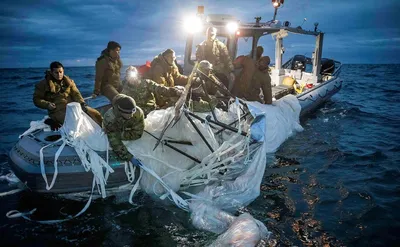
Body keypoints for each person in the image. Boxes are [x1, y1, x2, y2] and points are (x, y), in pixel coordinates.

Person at [33, 61, 103, 129]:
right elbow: (36, 99)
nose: (59, 74)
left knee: (95, 113)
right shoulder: (42, 85)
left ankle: (105, 130)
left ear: (63, 71)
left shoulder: (69, 82)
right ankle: (51, 120)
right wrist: (47, 104)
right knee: (74, 122)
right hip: (57, 111)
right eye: (56, 72)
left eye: (61, 72)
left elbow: (76, 94)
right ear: (51, 72)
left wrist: (82, 103)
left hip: (73, 107)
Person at [103, 94, 144, 161]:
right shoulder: (110, 118)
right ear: (120, 111)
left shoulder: (138, 113)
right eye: (127, 112)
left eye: (133, 111)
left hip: (122, 129)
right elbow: (115, 142)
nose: (131, 115)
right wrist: (129, 157)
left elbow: (138, 134)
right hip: (114, 127)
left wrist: (119, 135)